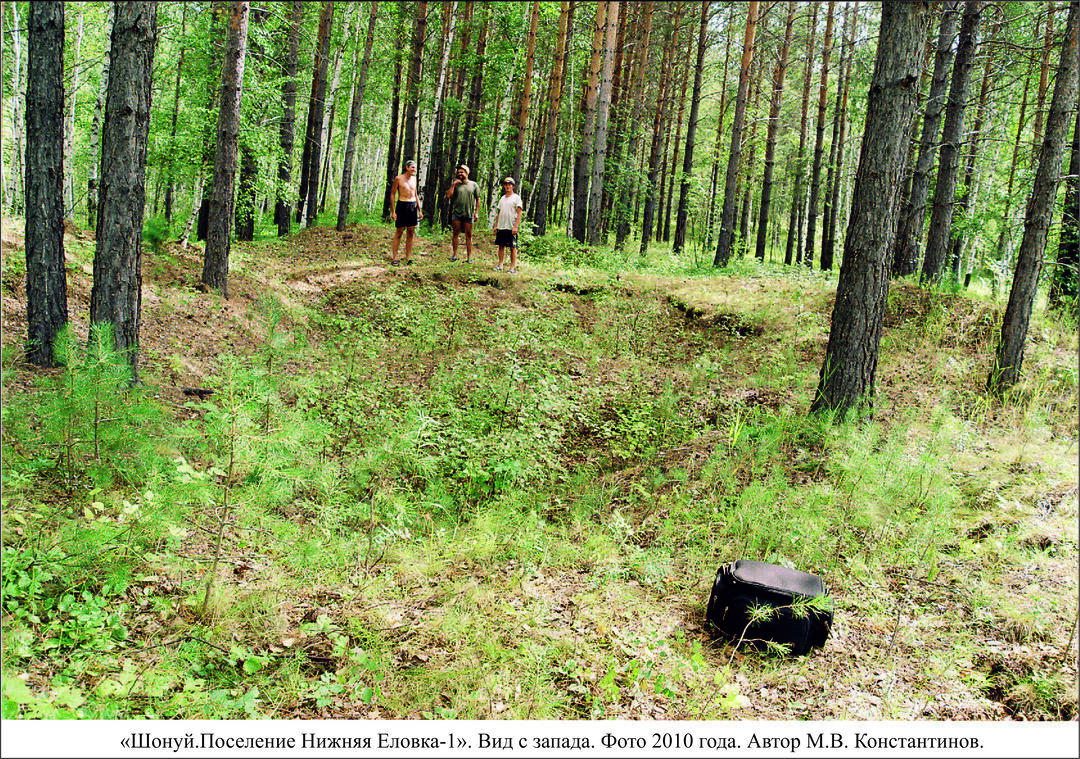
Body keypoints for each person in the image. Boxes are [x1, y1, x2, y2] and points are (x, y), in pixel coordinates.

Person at [389, 160, 423, 266]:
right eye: (412, 167)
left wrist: (419, 210)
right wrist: (393, 211)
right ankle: (394, 258)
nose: (414, 170)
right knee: (399, 231)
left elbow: (416, 194)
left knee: (411, 232)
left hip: (412, 206)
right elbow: (392, 194)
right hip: (402, 205)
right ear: (407, 167)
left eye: (415, 168)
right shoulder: (399, 178)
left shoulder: (414, 179)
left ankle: (408, 257)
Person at [445, 164, 481, 263]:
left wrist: (476, 212)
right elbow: (448, 196)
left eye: (462, 172)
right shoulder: (456, 185)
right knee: (455, 233)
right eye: (459, 172)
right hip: (456, 213)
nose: (460, 174)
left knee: (468, 235)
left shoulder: (473, 185)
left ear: (467, 173)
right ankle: (454, 255)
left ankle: (469, 257)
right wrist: (453, 185)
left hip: (469, 213)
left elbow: (478, 199)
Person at [494, 177, 523, 274]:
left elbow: (519, 213)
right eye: (506, 184)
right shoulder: (502, 198)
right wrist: (496, 225)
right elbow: (499, 213)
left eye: (509, 184)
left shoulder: (516, 198)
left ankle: (512, 268)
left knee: (512, 247)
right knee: (501, 246)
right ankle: (500, 265)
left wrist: (515, 226)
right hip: (501, 226)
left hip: (511, 227)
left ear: (513, 186)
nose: (507, 186)